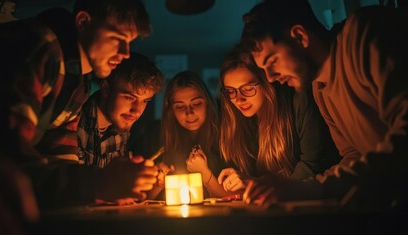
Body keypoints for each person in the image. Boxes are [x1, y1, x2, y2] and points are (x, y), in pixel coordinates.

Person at [0, 1, 157, 235]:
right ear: (83, 22)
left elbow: (60, 158)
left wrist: (106, 188)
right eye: (118, 38)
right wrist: (100, 182)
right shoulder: (38, 45)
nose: (125, 54)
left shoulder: (79, 83)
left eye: (129, 43)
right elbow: (6, 162)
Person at [240, 0, 408, 211]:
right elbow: (354, 156)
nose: (271, 78)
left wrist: (307, 191)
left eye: (272, 61)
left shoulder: (362, 34)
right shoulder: (319, 88)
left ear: (300, 36)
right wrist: (296, 188)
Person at [218, 45, 340, 193]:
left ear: (266, 83)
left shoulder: (298, 101)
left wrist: (277, 191)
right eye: (231, 91)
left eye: (248, 88)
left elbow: (313, 164)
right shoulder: (240, 122)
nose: (238, 99)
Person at [135, 70, 229, 199]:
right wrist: (159, 183)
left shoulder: (227, 135)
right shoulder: (156, 136)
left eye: (196, 104)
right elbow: (138, 198)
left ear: (208, 103)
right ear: (171, 110)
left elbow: (235, 195)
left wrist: (204, 173)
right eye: (180, 107)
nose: (189, 113)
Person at [77, 52, 164, 169]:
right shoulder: (74, 121)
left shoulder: (122, 130)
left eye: (145, 101)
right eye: (129, 98)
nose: (137, 111)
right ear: (106, 89)